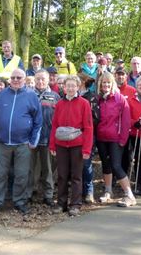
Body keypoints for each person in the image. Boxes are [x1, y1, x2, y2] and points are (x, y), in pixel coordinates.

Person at [0, 68, 43, 216]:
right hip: (2, 143)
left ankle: (20, 201)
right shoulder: (1, 95)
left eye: (19, 77)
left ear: (24, 79)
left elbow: (38, 121)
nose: (16, 80)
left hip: (23, 143)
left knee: (22, 174)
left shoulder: (32, 96)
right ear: (9, 79)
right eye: (13, 77)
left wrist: (33, 141)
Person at [50, 75, 93, 216]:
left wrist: (87, 148)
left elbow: (88, 127)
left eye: (73, 86)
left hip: (77, 145)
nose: (70, 88)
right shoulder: (60, 104)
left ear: (78, 87)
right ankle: (61, 203)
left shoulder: (84, 103)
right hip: (61, 144)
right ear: (64, 87)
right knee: (62, 175)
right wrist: (52, 145)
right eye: (67, 85)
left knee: (76, 176)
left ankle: (75, 204)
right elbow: (54, 125)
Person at [95, 72, 136, 207]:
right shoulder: (98, 99)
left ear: (112, 84)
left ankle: (129, 194)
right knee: (106, 165)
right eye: (103, 83)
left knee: (116, 166)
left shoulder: (120, 99)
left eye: (108, 82)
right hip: (101, 137)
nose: (106, 85)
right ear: (100, 85)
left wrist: (123, 140)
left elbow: (126, 122)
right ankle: (108, 191)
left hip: (116, 138)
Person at [27, 69, 60, 206]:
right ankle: (28, 194)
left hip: (47, 138)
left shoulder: (55, 96)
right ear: (34, 80)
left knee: (47, 169)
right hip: (30, 139)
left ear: (48, 80)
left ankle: (48, 195)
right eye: (38, 79)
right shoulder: (28, 94)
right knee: (30, 168)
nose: (40, 82)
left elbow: (58, 118)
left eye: (43, 79)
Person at [78, 73, 100, 203]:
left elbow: (96, 118)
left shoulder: (91, 98)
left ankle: (89, 191)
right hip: (72, 136)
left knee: (86, 164)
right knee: (76, 164)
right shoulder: (70, 96)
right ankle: (78, 191)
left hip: (87, 135)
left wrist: (81, 123)